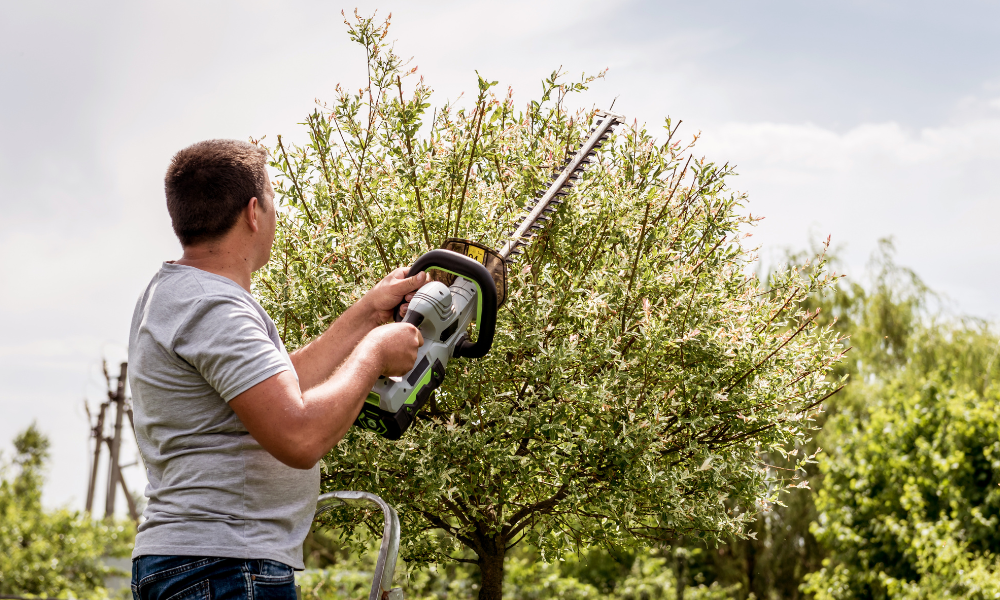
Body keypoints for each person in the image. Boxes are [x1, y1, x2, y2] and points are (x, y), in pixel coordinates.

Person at [128, 139, 424, 600]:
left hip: (202, 563)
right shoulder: (213, 308)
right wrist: (375, 353)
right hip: (224, 565)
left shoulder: (181, 294)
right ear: (253, 211)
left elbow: (276, 388)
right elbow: (298, 435)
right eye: (272, 198)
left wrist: (367, 315)